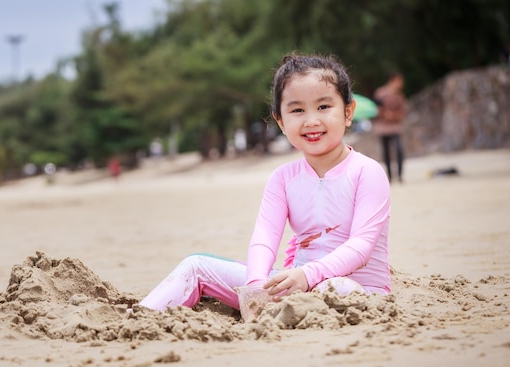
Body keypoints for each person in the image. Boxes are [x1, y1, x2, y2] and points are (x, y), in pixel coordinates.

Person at [139, 53, 391, 314]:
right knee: (196, 265)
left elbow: (361, 246)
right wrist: (258, 286)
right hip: (295, 288)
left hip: (354, 290)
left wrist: (307, 275)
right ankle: (139, 319)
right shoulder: (283, 178)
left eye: (324, 107)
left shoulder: (366, 172)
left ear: (348, 112)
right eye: (297, 110)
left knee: (338, 288)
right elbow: (265, 237)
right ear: (281, 121)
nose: (311, 120)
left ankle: (294, 305)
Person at [373, 72, 407, 183]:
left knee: (399, 150)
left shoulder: (399, 96)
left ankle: (400, 175)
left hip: (395, 126)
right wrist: (383, 114)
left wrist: (393, 116)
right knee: (386, 152)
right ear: (393, 80)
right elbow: (375, 110)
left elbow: (402, 113)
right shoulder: (380, 93)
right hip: (382, 127)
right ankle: (390, 177)